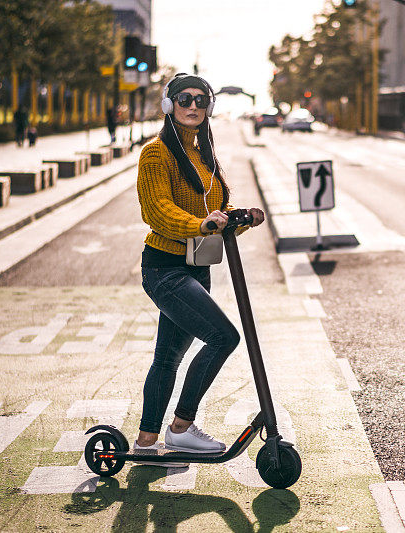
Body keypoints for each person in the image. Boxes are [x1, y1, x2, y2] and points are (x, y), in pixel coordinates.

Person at [134, 73, 265, 464]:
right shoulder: (156, 153)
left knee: (167, 358)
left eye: (200, 100)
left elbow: (215, 216)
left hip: (197, 265)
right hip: (165, 268)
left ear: (210, 107)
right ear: (168, 104)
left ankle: (145, 439)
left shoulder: (204, 156)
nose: (192, 106)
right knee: (224, 337)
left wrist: (239, 218)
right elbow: (158, 210)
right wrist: (201, 224)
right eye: (184, 99)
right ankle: (181, 428)